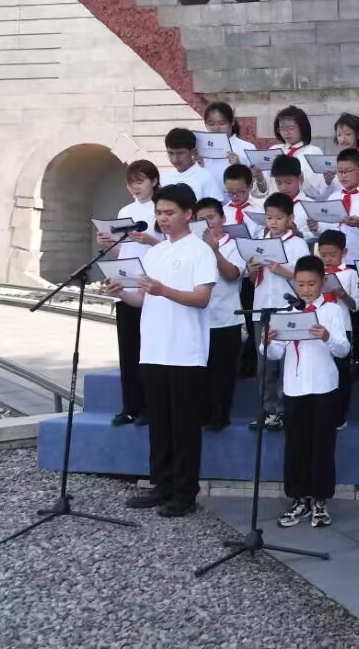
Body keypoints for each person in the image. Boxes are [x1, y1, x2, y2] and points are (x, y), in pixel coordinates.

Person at [105, 184, 217, 518]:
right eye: (159, 213)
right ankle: (162, 483)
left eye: (170, 213)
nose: (163, 219)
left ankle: (185, 492)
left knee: (184, 426)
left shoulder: (200, 251)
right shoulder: (154, 253)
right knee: (160, 423)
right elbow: (143, 299)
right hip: (153, 349)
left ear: (188, 214)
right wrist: (121, 294)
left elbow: (202, 298)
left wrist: (164, 290)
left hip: (185, 352)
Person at [266, 256, 351, 529]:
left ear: (322, 282)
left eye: (311, 284)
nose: (305, 290)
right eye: (300, 284)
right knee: (296, 445)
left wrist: (327, 337)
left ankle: (320, 500)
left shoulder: (332, 310)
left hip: (323, 386)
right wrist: (267, 342)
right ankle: (299, 498)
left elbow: (343, 350)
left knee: (322, 446)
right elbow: (274, 354)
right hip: (294, 387)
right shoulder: (286, 312)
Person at [99, 160, 160, 427]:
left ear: (154, 181)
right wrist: (109, 243)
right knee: (128, 349)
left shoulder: (160, 210)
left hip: (151, 285)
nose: (135, 187)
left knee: (148, 349)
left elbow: (171, 248)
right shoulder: (125, 211)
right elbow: (123, 251)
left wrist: (150, 240)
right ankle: (130, 406)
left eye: (140, 181)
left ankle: (149, 406)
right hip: (125, 284)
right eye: (131, 182)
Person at [247, 192, 311, 432]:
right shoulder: (260, 241)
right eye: (269, 217)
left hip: (287, 309)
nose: (273, 222)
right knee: (264, 365)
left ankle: (285, 411)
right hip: (262, 308)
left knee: (286, 362)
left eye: (278, 218)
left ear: (290, 219)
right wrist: (252, 269)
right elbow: (254, 280)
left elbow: (307, 278)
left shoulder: (297, 244)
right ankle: (268, 409)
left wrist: (283, 270)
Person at [320, 147, 359, 381]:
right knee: (334, 309)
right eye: (340, 171)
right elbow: (326, 229)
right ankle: (335, 354)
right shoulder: (333, 197)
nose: (343, 175)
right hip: (333, 263)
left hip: (358, 261)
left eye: (348, 171)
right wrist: (317, 228)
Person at [195, 197, 246, 430]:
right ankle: (202, 413)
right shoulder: (192, 247)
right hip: (198, 318)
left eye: (211, 217)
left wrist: (214, 251)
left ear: (223, 219)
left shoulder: (234, 245)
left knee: (222, 372)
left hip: (226, 318)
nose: (207, 224)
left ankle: (220, 415)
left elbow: (233, 274)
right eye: (201, 220)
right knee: (200, 372)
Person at [315, 229, 359, 429]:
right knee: (321, 369)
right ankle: (322, 413)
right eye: (323, 255)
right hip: (319, 327)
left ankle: (339, 416)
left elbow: (356, 305)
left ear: (344, 252)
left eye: (332, 254)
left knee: (341, 373)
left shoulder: (350, 274)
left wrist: (342, 294)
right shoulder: (316, 274)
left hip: (342, 327)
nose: (327, 259)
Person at [223, 162, 262, 373]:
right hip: (227, 272)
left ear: (249, 186)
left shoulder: (259, 212)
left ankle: (250, 361)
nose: (235, 196)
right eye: (230, 192)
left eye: (240, 192)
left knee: (250, 315)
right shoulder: (222, 213)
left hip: (251, 273)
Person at [256, 105, 328, 200]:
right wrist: (259, 177)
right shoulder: (274, 150)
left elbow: (319, 191)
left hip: (302, 203)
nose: (286, 133)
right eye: (282, 129)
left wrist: (300, 179)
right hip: (276, 205)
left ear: (302, 127)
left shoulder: (314, 152)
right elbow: (264, 191)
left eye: (290, 128)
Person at [201, 102, 258, 193]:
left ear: (232, 122)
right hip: (208, 198)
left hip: (236, 199)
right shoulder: (201, 147)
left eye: (222, 123)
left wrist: (239, 166)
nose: (216, 128)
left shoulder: (247, 147)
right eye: (211, 124)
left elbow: (256, 186)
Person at [162, 127, 224, 201]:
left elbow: (216, 205)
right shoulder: (164, 178)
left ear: (193, 152)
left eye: (180, 153)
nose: (175, 159)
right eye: (170, 153)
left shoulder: (205, 176)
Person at [269, 154, 313, 237]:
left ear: (300, 178)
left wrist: (298, 233)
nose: (283, 188)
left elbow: (319, 236)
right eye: (278, 183)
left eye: (288, 183)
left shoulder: (311, 206)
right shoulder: (272, 205)